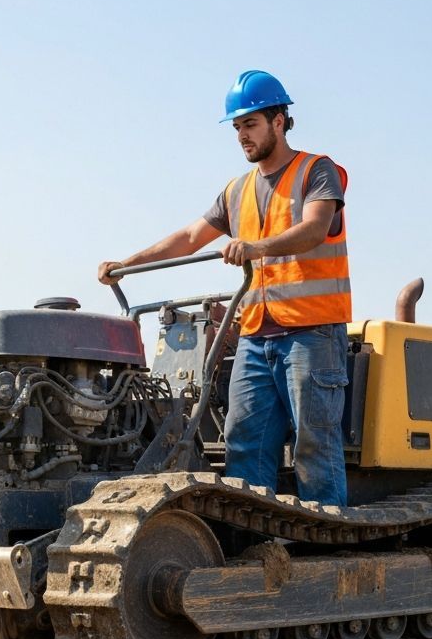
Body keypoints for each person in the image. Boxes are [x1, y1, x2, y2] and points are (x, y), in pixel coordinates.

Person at [98, 70, 351, 506]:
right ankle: (255, 553)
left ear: (279, 120)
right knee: (243, 444)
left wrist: (256, 247)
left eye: (249, 124)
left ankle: (325, 556)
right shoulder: (237, 190)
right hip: (255, 337)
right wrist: (127, 263)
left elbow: (314, 229)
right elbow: (190, 237)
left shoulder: (316, 170)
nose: (241, 136)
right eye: (236, 128)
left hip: (312, 333)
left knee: (315, 446)